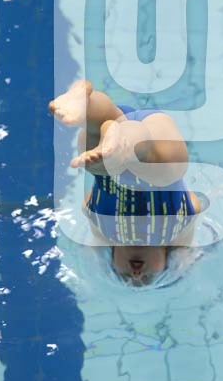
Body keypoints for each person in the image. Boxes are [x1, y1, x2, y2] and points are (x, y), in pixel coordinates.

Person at [49, 80, 200, 285]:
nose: (136, 274)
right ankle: (124, 145)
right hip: (156, 140)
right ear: (166, 256)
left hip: (110, 157)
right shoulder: (177, 233)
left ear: (112, 256)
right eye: (149, 277)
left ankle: (86, 105)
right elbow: (188, 240)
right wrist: (184, 259)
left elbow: (89, 214)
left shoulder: (104, 230)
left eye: (123, 275)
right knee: (161, 167)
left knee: (98, 149)